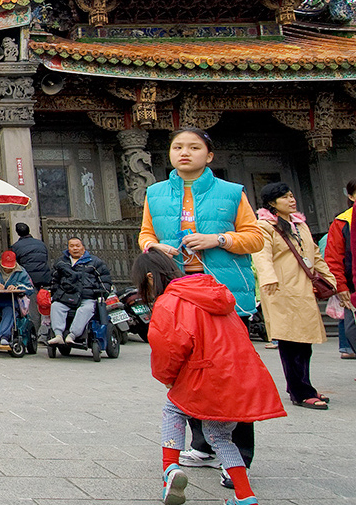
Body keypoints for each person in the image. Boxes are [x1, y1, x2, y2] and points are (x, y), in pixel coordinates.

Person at [138, 127, 266, 485]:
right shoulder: (156, 193)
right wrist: (155, 248)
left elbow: (256, 236)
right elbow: (145, 235)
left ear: (209, 155)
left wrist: (218, 239)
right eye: (178, 147)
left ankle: (237, 456)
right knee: (188, 371)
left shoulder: (231, 193)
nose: (184, 153)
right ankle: (203, 445)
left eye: (194, 147)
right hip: (178, 292)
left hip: (223, 295)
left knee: (231, 376)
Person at [132, 248, 284, 505]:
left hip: (206, 375)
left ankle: (170, 469)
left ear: (149, 277)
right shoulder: (214, 292)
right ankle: (244, 495)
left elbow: (168, 347)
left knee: (173, 408)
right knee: (220, 436)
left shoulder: (169, 302)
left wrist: (167, 377)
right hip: (240, 373)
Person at [253, 182, 337, 410]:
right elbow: (261, 254)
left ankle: (302, 385)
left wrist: (329, 278)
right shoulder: (264, 226)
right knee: (291, 343)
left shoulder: (299, 225)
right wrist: (268, 278)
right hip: (281, 290)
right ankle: (301, 392)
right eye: (285, 197)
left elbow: (315, 254)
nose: (292, 200)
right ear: (272, 203)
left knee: (304, 343)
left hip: (303, 290)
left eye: (292, 196)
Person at [47, 237, 111, 345]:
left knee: (86, 309)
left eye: (77, 245)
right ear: (68, 248)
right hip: (66, 296)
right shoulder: (61, 262)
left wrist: (102, 293)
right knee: (56, 306)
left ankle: (72, 335)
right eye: (71, 246)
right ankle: (58, 335)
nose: (75, 248)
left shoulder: (94, 262)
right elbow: (54, 279)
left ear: (83, 247)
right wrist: (55, 292)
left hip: (86, 297)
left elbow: (104, 280)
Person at [322, 179, 356, 359]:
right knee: (352, 329)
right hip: (353, 287)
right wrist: (341, 286)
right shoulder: (342, 222)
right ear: (350, 196)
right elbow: (334, 258)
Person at [9, 222, 52, 290]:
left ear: (18, 233)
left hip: (27, 278)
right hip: (45, 277)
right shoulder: (41, 244)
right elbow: (46, 258)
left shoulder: (15, 247)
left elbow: (14, 264)